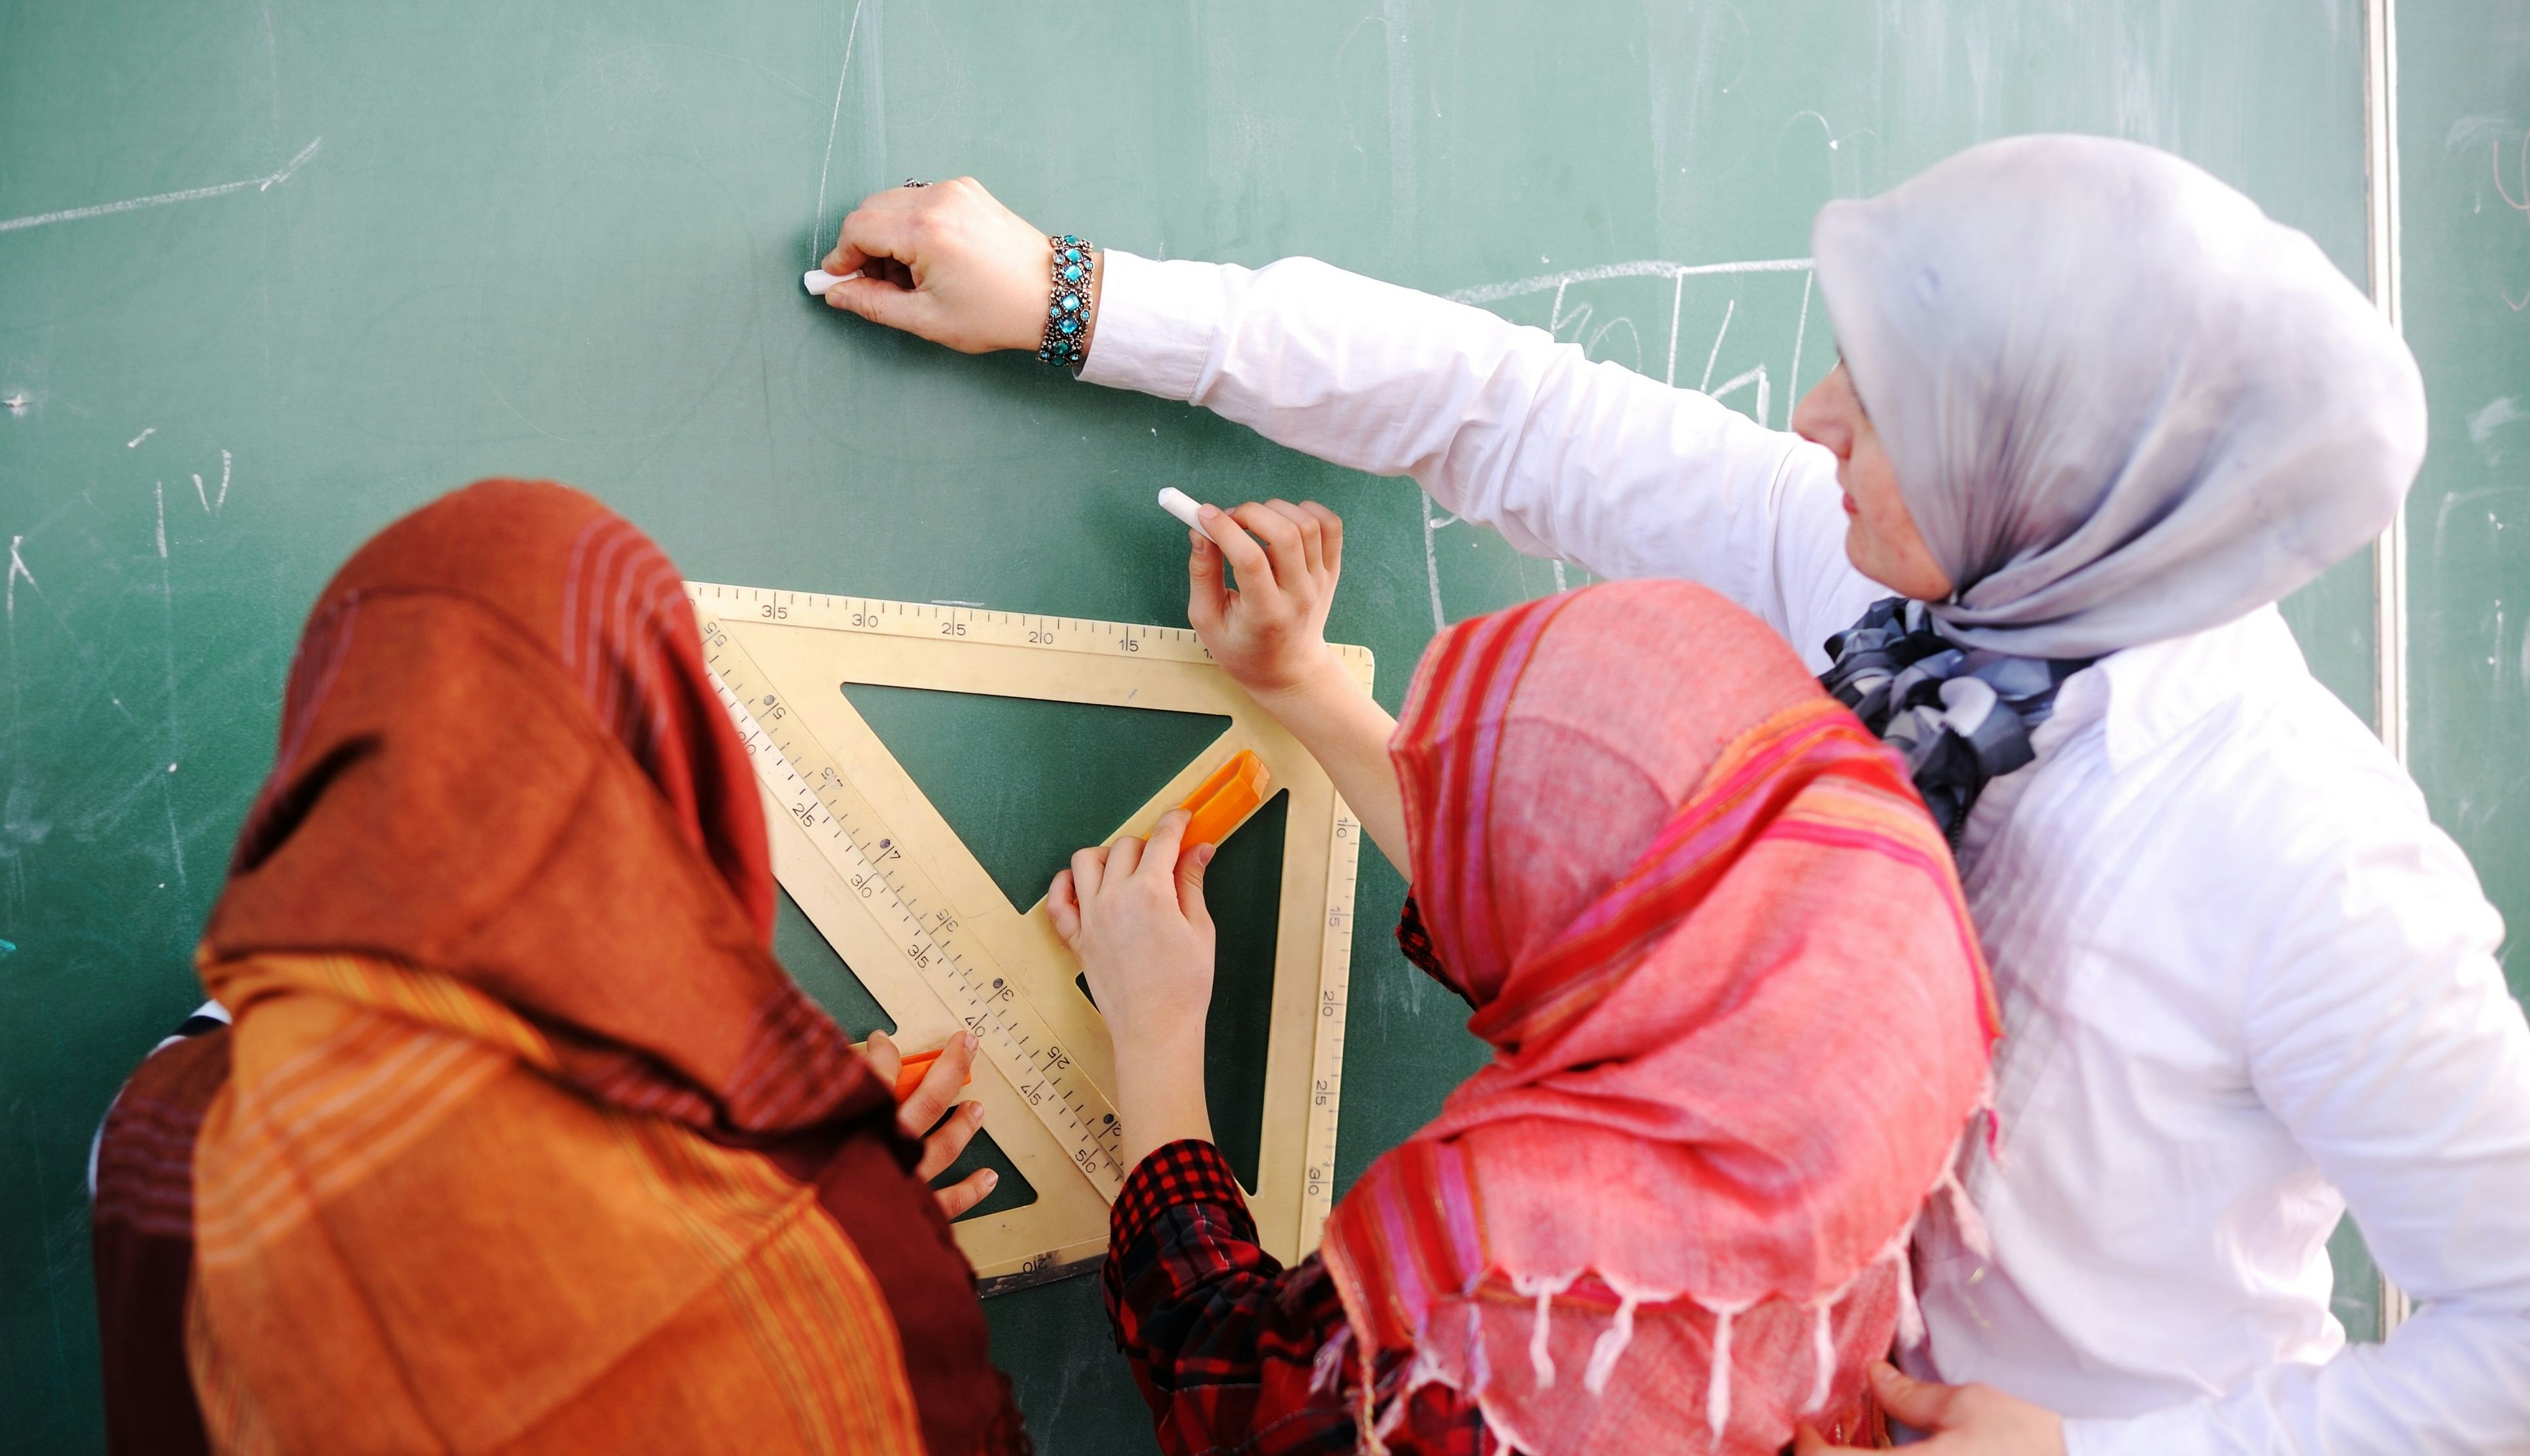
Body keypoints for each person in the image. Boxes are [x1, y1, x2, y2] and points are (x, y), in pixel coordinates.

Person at [816, 135, 2530, 1453]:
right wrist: (1074, 299)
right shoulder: (1902, 583)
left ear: (2047, 467)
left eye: (1896, 406)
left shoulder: (2309, 862)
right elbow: (1512, 407)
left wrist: (2094, 1449)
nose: (1814, 419)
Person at [90, 480, 1025, 1456]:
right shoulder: (842, 1242)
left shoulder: (163, 1127)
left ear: (328, 749)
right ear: (682, 764)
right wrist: (845, 1194)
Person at [1052, 561, 2000, 1454]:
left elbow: (1229, 1394)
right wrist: (1304, 681)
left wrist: (1158, 1029)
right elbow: (1568, 929)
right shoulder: (1878, 1020)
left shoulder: (1496, 1326)